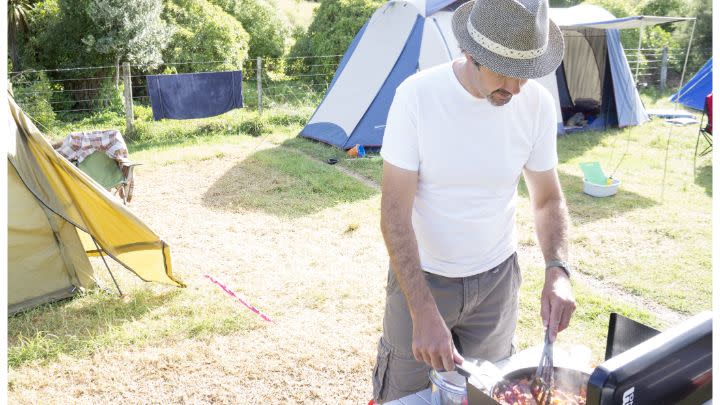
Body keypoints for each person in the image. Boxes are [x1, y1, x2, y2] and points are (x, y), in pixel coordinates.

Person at [371, 0, 577, 402]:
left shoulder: (535, 104)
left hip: (498, 282)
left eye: (525, 73)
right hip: (423, 277)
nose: (516, 88)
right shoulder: (416, 98)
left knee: (490, 394)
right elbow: (394, 213)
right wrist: (421, 309)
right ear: (471, 54)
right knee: (403, 396)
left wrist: (558, 269)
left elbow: (548, 199)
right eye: (505, 73)